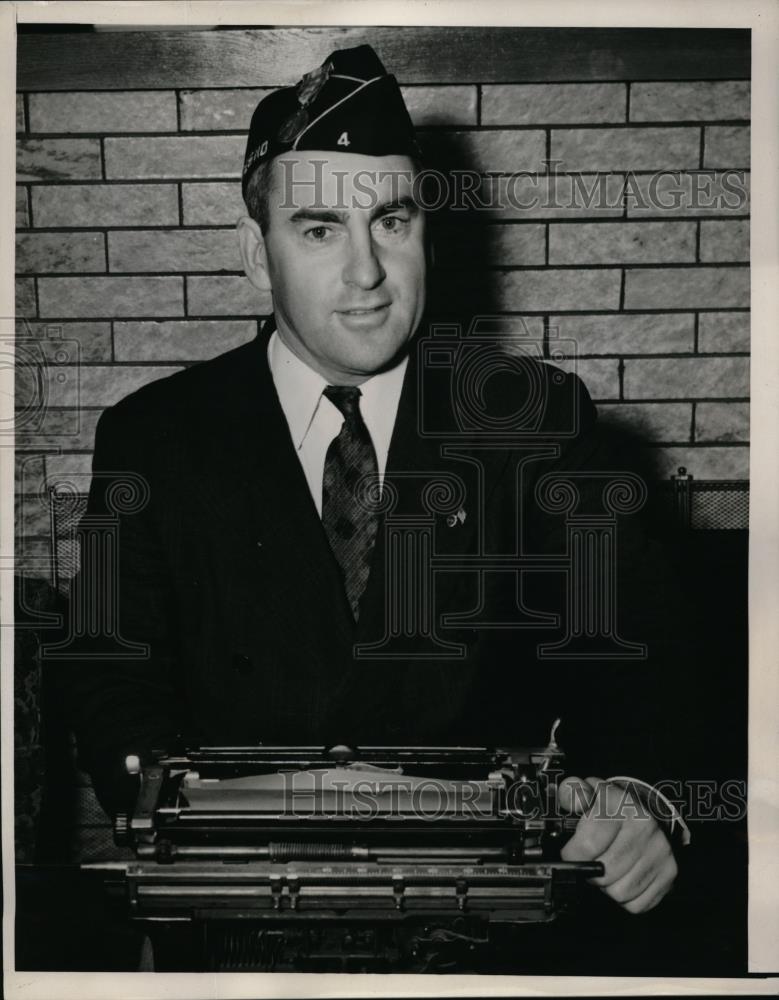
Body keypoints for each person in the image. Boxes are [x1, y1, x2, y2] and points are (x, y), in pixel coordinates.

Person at [60, 44, 681, 920]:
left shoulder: (535, 419)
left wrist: (635, 796)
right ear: (255, 253)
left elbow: (634, 652)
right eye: (319, 230)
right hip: (241, 908)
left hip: (487, 914)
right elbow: (109, 677)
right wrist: (202, 820)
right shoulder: (154, 439)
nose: (366, 273)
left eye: (390, 221)